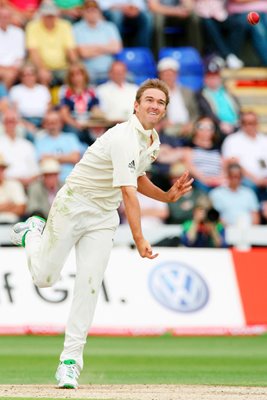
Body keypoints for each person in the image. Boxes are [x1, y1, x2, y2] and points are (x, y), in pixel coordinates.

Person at [10, 78, 193, 389]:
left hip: (103, 216)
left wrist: (167, 196)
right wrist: (139, 238)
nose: (154, 106)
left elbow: (137, 177)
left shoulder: (152, 141)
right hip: (74, 204)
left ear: (164, 110)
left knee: (90, 285)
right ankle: (32, 233)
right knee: (45, 278)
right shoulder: (124, 136)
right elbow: (129, 191)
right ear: (136, 105)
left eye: (160, 102)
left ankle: (69, 363)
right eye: (148, 100)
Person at [25, 1, 77, 86]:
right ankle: (45, 99)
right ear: (42, 16)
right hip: (39, 66)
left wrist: (75, 65)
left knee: (76, 74)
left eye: (51, 16)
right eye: (47, 16)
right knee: (42, 76)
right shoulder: (32, 26)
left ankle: (69, 98)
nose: (49, 19)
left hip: (62, 67)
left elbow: (70, 50)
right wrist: (41, 69)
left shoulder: (65, 25)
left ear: (56, 16)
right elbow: (33, 52)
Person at [73, 0, 122, 85]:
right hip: (88, 73)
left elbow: (117, 48)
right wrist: (106, 47)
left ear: (99, 12)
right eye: (88, 11)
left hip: (110, 72)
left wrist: (92, 48)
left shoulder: (109, 26)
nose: (92, 13)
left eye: (94, 10)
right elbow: (83, 53)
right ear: (83, 12)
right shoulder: (76, 29)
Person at [221, 111, 267, 201]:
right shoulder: (232, 140)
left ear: (257, 123)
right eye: (245, 123)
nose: (249, 126)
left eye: (252, 123)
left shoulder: (264, 139)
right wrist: (256, 180)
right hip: (245, 179)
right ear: (241, 124)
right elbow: (233, 164)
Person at [59, 62, 103, 144]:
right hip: (73, 122)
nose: (76, 78)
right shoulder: (65, 90)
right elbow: (64, 114)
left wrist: (91, 122)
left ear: (84, 75)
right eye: (73, 75)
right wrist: (76, 124)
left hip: (89, 122)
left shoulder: (92, 90)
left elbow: (96, 110)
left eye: (79, 74)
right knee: (74, 132)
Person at [196, 56, 240, 136]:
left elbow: (238, 109)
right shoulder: (201, 94)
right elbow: (207, 112)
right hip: (218, 127)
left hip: (236, 125)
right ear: (205, 79)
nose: (213, 79)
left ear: (219, 78)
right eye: (210, 77)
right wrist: (221, 123)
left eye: (215, 76)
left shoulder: (227, 92)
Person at [34, 110, 81, 183]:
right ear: (44, 125)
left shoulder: (70, 138)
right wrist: (67, 158)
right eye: (49, 123)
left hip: (71, 179)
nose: (52, 126)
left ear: (61, 123)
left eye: (55, 122)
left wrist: (51, 157)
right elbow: (42, 160)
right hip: (50, 183)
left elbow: (75, 158)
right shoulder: (40, 141)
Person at [157, 57, 199, 138]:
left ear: (177, 75)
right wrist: (163, 122)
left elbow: (195, 113)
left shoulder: (187, 92)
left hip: (188, 126)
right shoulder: (157, 93)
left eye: (171, 74)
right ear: (160, 75)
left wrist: (191, 123)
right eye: (165, 74)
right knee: (169, 131)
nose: (169, 77)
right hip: (170, 128)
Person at [0, 108, 39, 188]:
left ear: (17, 123)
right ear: (3, 123)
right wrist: (15, 181)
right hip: (5, 185)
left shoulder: (27, 145)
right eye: (8, 121)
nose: (10, 124)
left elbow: (35, 171)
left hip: (28, 185)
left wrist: (28, 180)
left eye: (13, 121)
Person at [9, 62, 51, 133]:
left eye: (31, 74)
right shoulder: (15, 90)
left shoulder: (43, 89)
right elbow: (14, 112)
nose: (28, 77)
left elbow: (49, 110)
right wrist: (26, 125)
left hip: (42, 121)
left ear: (36, 76)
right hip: (23, 121)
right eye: (24, 75)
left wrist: (45, 124)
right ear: (20, 77)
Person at [0, 5, 25, 88]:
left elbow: (20, 55)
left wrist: (14, 67)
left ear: (10, 18)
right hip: (2, 67)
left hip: (14, 67)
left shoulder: (18, 32)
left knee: (28, 72)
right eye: (2, 17)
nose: (4, 19)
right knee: (9, 75)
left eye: (6, 17)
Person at [0, 153, 27, 224]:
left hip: (12, 224)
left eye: (1, 168)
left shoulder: (14, 184)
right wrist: (9, 206)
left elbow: (21, 208)